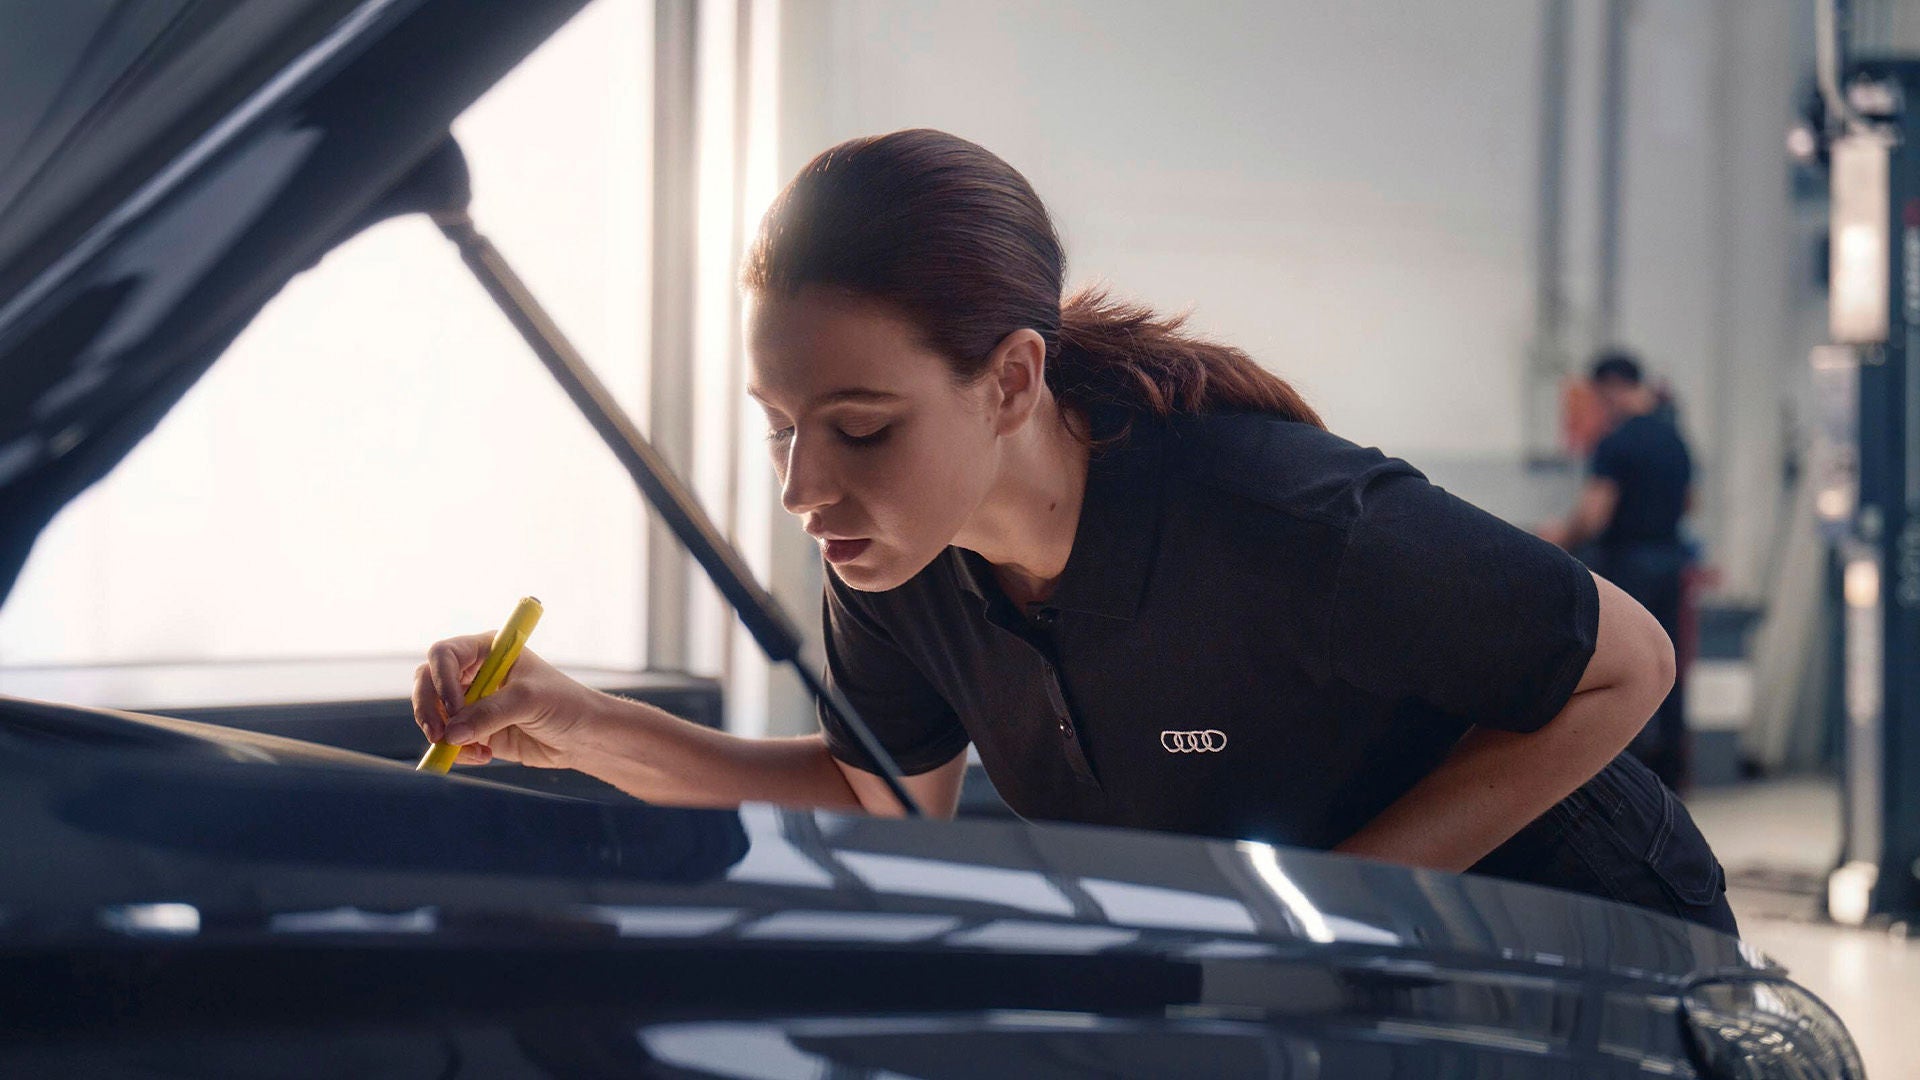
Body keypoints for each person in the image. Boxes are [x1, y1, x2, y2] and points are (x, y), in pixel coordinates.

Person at [411, 130, 1735, 935]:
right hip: (1344, 973)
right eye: (780, 423)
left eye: (861, 427)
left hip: (1594, 933)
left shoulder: (1280, 519)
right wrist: (580, 728)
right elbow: (884, 797)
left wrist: (1338, 909)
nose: (803, 486)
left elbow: (1628, 664)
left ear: (1012, 381)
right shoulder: (895, 565)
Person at [1537, 352, 1695, 791]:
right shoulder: (1675, 438)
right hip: (1670, 560)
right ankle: (1672, 776)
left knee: (1623, 669)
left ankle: (1623, 781)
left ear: (1609, 386)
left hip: (1628, 565)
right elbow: (1689, 504)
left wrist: (1558, 536)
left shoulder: (1617, 442)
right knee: (1667, 665)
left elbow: (1595, 516)